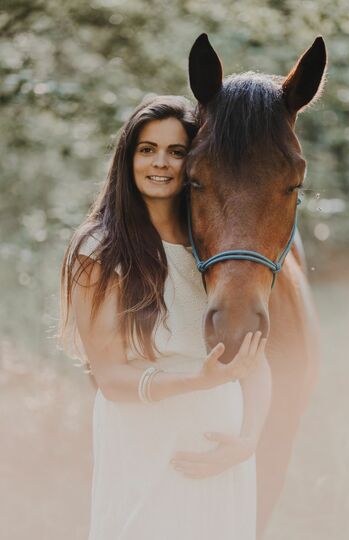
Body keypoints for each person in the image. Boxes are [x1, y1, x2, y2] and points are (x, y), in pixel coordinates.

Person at [59, 95, 271, 540]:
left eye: (177, 152)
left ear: (194, 161)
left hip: (223, 447)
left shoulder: (215, 250)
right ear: (127, 158)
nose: (162, 163)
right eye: (147, 149)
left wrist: (248, 441)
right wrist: (200, 379)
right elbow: (112, 378)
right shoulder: (98, 250)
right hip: (145, 441)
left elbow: (256, 360)